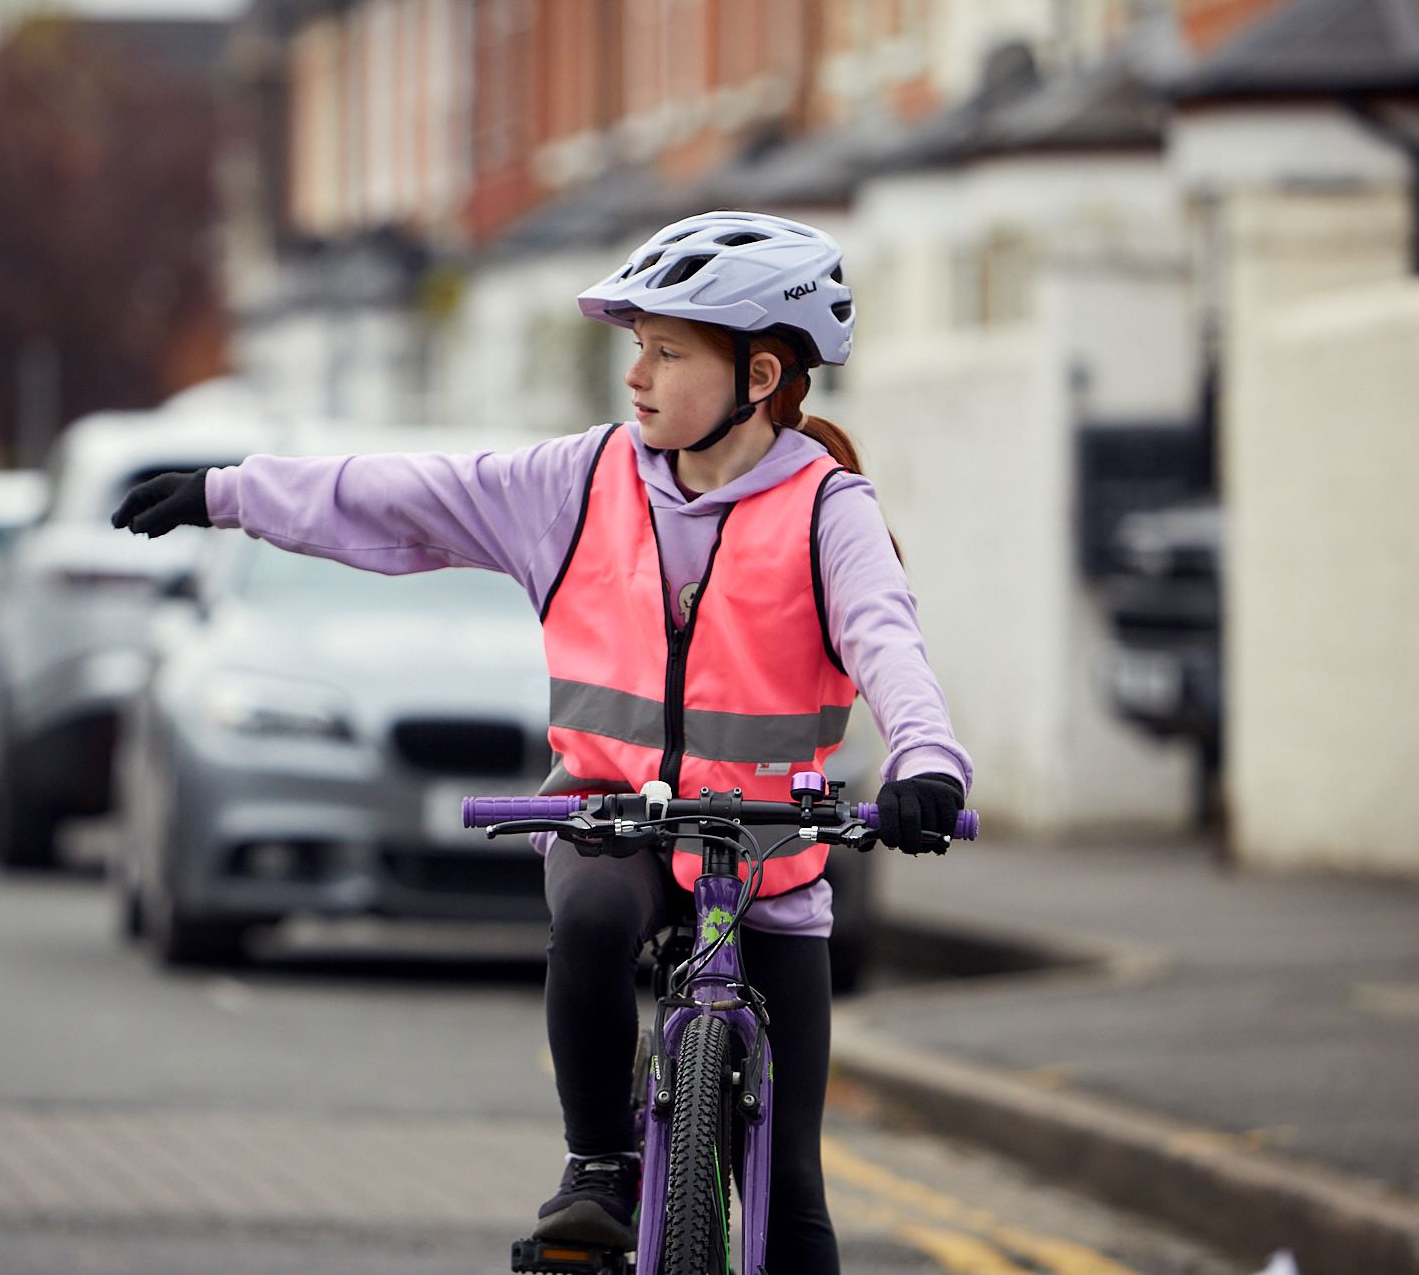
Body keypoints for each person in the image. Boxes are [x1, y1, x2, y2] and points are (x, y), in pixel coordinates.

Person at [112, 210, 973, 1274]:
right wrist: (226, 493)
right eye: (634, 348)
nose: (636, 375)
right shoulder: (578, 481)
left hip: (769, 859)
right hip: (608, 817)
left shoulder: (825, 510)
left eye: (666, 351)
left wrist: (925, 764)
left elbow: (887, 641)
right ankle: (599, 1167)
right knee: (596, 920)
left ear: (758, 374)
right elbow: (407, 497)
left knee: (792, 1197)